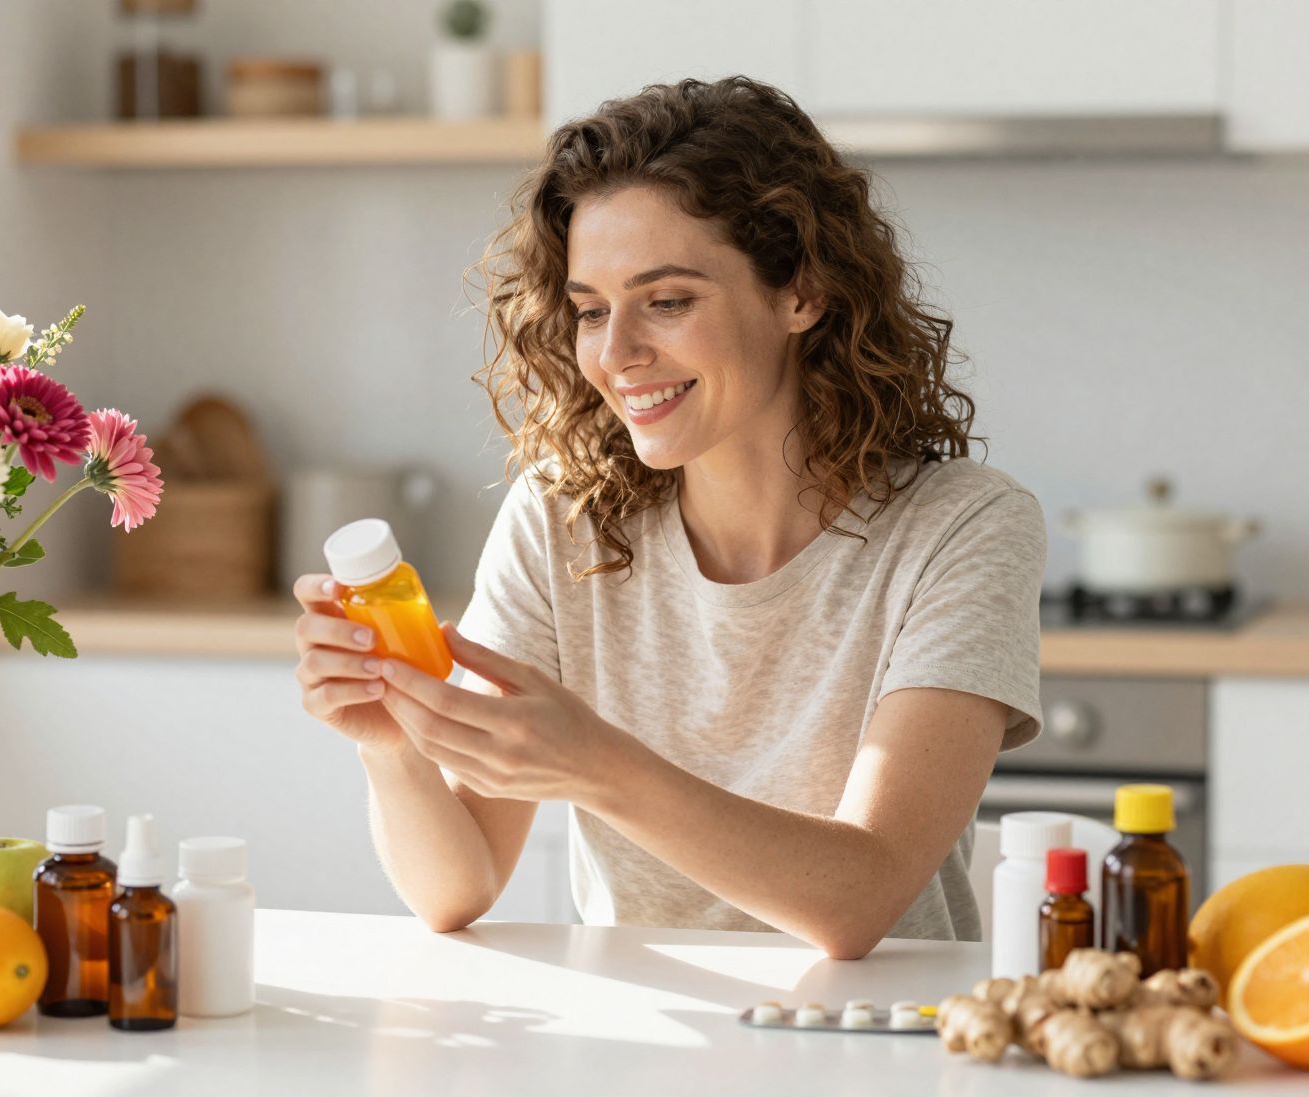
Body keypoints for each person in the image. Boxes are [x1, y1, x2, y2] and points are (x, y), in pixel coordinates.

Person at [293, 77, 1043, 959]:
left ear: (801, 291)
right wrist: (390, 745)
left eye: (668, 301)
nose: (615, 355)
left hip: (878, 1047)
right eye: (590, 311)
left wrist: (599, 766)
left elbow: (862, 896)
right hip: (642, 1056)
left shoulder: (961, 528)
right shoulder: (561, 516)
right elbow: (454, 891)